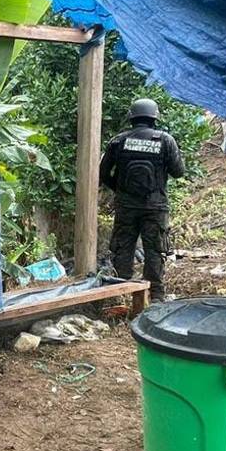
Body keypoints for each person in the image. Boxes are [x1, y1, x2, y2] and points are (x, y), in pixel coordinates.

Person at [99, 98, 186, 303]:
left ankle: (118, 295)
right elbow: (178, 172)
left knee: (123, 248)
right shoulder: (165, 140)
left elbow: (102, 173)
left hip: (126, 206)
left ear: (132, 118)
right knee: (155, 250)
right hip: (155, 207)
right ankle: (156, 297)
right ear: (154, 118)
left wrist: (120, 190)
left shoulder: (118, 141)